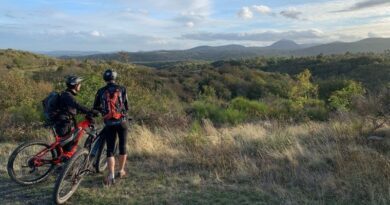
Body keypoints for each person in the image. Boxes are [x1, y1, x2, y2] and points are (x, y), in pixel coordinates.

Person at [93, 69, 129, 186]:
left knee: (110, 150)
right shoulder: (122, 89)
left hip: (109, 123)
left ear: (105, 79)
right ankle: (121, 170)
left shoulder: (100, 91)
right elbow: (126, 106)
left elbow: (96, 108)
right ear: (115, 77)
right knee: (122, 146)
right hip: (122, 122)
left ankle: (111, 175)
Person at [55, 75, 98, 153]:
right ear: (75, 85)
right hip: (64, 122)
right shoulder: (67, 95)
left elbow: (71, 109)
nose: (80, 85)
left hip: (64, 121)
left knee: (67, 144)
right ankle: (61, 163)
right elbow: (77, 105)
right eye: (79, 84)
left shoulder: (66, 94)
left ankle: (62, 162)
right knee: (67, 145)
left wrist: (84, 112)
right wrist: (90, 111)